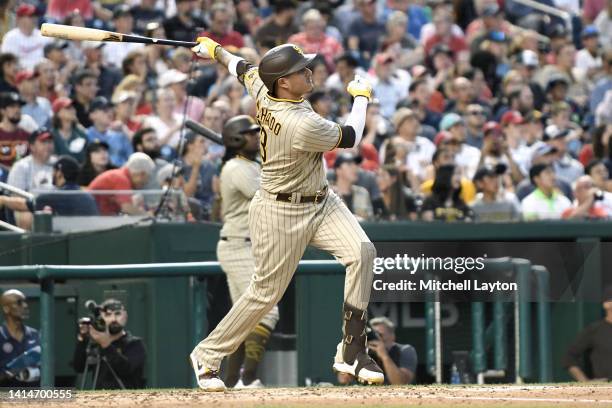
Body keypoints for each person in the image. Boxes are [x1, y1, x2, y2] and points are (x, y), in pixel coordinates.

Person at [189, 37, 383, 390]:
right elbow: (353, 135)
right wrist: (361, 96)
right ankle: (208, 354)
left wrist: (215, 50)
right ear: (283, 82)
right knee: (264, 295)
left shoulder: (265, 89)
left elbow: (242, 68)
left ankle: (352, 349)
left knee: (363, 252)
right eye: (300, 71)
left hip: (321, 201)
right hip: (280, 211)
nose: (309, 73)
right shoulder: (298, 122)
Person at [215, 115, 279, 388]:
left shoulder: (249, 165)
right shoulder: (236, 168)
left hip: (247, 245)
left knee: (242, 320)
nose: (256, 136)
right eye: (250, 133)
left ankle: (229, 382)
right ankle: (248, 377)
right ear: (237, 138)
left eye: (256, 132)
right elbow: (268, 197)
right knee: (267, 312)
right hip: (240, 244)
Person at [72, 298, 146, 389]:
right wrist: (82, 339)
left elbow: (126, 369)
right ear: (101, 319)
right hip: (100, 400)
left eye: (118, 314)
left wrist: (105, 344)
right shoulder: (97, 344)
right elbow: (79, 367)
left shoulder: (135, 344)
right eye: (108, 315)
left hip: (127, 400)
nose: (113, 319)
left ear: (125, 316)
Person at [337, 316, 417, 385]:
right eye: (374, 336)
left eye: (380, 335)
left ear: (392, 336)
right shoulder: (366, 353)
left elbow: (399, 383)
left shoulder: (405, 350)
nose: (378, 339)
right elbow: (343, 379)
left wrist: (384, 356)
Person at [563, 286, 612, 381]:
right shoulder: (595, 330)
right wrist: (585, 381)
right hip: (606, 387)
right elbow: (569, 358)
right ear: (606, 304)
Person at [88, 152, 154, 216]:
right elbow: (126, 208)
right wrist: (146, 215)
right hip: (96, 219)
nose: (145, 182)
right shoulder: (121, 178)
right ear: (141, 174)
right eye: (147, 178)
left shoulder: (120, 175)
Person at [0, 289, 40, 387]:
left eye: (25, 302)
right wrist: (9, 373)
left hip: (33, 396)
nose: (25, 306)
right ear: (6, 309)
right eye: (19, 303)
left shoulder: (34, 334)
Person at [86, 96, 133, 167]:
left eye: (110, 109)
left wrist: (125, 130)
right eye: (104, 110)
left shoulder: (120, 135)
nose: (109, 112)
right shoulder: (86, 135)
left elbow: (131, 159)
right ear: (92, 115)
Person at [0, 4, 50, 70]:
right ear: (19, 19)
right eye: (30, 16)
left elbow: (51, 55)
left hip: (44, 73)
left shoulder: (42, 34)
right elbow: (7, 63)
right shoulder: (11, 37)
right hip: (22, 75)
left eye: (35, 16)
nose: (34, 18)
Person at [7, 128, 55, 193]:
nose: (48, 146)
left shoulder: (59, 164)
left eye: (50, 142)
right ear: (32, 146)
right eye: (43, 142)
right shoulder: (21, 167)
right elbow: (15, 196)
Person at [332, 152, 373, 221]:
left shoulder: (363, 193)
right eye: (349, 164)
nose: (355, 168)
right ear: (338, 170)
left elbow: (370, 220)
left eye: (356, 165)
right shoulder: (329, 194)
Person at [0, 92, 29, 169]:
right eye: (12, 106)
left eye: (19, 107)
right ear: (2, 110)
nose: (17, 110)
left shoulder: (27, 136)